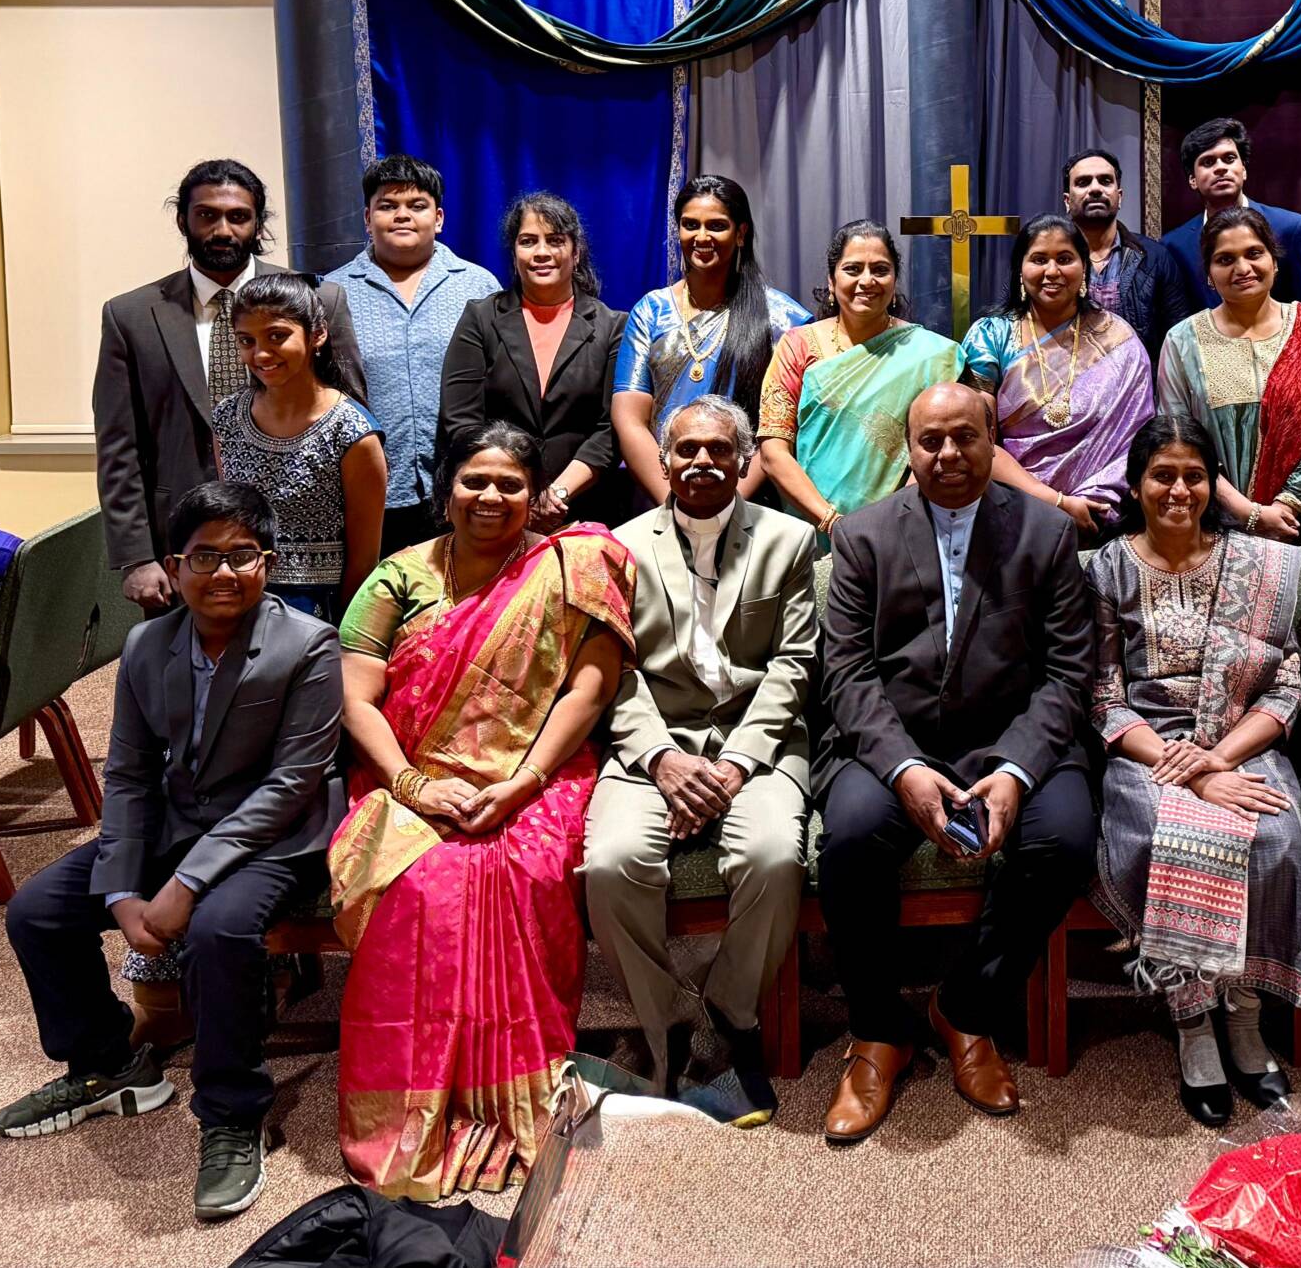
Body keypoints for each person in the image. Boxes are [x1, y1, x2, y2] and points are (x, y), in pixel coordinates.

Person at [0, 482, 344, 1223]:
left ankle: (231, 1115)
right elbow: (127, 775)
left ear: (268, 561)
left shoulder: (308, 644)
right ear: (175, 566)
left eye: (242, 555)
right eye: (205, 557)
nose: (225, 573)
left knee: (219, 930)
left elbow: (291, 785)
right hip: (177, 821)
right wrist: (123, 889)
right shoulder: (147, 646)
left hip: (277, 838)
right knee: (37, 911)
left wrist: (185, 883)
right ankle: (109, 1066)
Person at [328, 423, 633, 1199]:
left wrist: (523, 783)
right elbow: (355, 699)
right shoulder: (398, 577)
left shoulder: (573, 565)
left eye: (510, 484)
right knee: (418, 885)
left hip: (537, 771)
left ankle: (513, 1100)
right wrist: (411, 786)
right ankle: (414, 1114)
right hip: (409, 773)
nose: (491, 497)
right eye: (474, 481)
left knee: (524, 871)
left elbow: (590, 686)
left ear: (535, 496)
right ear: (446, 491)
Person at [813, 383, 1096, 1145]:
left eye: (965, 437)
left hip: (1014, 739)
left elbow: (1068, 673)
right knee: (850, 839)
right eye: (930, 440)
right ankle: (879, 1030)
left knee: (1065, 840)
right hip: (894, 741)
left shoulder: (1045, 532)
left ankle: (966, 1008)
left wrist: (1016, 769)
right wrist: (903, 768)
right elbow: (846, 673)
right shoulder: (862, 536)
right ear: (908, 449)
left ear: (992, 440)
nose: (948, 454)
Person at [1087, 414, 1301, 1128]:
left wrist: (1219, 761)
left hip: (1240, 742)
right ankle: (1192, 1021)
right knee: (1159, 837)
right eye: (1162, 475)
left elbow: (1286, 686)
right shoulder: (1106, 570)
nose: (1179, 490)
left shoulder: (1265, 565)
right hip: (1149, 748)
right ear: (1136, 484)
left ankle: (1245, 1016)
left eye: (1194, 476)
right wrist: (1190, 774)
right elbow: (1102, 694)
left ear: (1214, 484)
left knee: (1276, 840)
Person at [586, 396, 817, 1125]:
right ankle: (671, 1021)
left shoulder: (789, 540)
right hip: (653, 741)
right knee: (610, 865)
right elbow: (612, 670)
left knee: (774, 856)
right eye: (686, 449)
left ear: (745, 462)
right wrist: (659, 758)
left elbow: (794, 664)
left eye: (719, 449)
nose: (702, 462)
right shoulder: (620, 547)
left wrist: (738, 763)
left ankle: (731, 1014)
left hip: (759, 741)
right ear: (663, 461)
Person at [93, 158, 362, 613]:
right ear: (183, 221)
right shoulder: (131, 316)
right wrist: (136, 557)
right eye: (207, 215)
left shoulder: (317, 299)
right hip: (184, 548)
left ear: (258, 223)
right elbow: (119, 447)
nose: (223, 230)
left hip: (300, 548)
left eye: (238, 216)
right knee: (189, 659)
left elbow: (349, 417)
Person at [323, 155, 503, 557]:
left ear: (438, 218)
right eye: (388, 205)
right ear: (367, 219)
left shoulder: (479, 286)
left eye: (416, 205)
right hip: (370, 490)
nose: (402, 215)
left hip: (465, 484)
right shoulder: (333, 294)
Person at [1154, 207, 1301, 544]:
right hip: (1212, 530)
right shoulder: (1182, 340)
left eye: (1254, 253)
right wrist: (1248, 513)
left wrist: (1285, 509)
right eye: (1225, 259)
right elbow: (1179, 442)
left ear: (1274, 261)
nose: (1242, 268)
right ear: (1208, 274)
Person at [611, 176, 813, 507]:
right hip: (661, 499)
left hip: (749, 504)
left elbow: (780, 431)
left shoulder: (784, 321)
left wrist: (725, 506)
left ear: (741, 234)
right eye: (690, 225)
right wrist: (677, 503)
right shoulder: (651, 312)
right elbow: (629, 420)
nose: (702, 237)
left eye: (716, 226)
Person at [756, 221, 962, 539]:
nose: (867, 280)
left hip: (895, 532)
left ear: (894, 280)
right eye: (853, 269)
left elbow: (932, 454)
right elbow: (773, 451)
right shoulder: (798, 346)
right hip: (808, 528)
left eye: (880, 270)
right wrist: (832, 522)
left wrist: (889, 526)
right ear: (832, 280)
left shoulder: (931, 355)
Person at [959, 213, 1157, 541]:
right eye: (1039, 259)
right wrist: (1056, 503)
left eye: (1064, 259)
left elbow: (1136, 441)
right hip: (1011, 514)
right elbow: (976, 441)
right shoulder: (991, 337)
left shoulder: (1118, 340)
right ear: (1020, 270)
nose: (1052, 271)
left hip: (1102, 518)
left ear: (1084, 269)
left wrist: (1090, 504)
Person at [439, 192, 629, 531]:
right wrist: (516, 492)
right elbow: (462, 421)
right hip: (494, 505)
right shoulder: (480, 319)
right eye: (528, 241)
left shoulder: (613, 326)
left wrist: (556, 494)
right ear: (514, 254)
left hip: (586, 508)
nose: (541, 252)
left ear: (576, 252)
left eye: (555, 241)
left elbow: (610, 430)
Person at [213, 274, 387, 621]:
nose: (261, 353)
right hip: (241, 599)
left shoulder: (350, 431)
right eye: (247, 340)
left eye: (277, 336)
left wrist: (342, 633)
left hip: (319, 610)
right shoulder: (228, 417)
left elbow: (364, 559)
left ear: (317, 334)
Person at [1157, 118, 1301, 311]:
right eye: (1208, 162)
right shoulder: (1174, 246)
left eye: (1229, 158)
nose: (1220, 167)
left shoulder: (1292, 229)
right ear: (1192, 180)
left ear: (1244, 170)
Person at [1062, 146, 1198, 354]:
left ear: (1120, 197)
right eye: (1083, 182)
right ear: (1067, 201)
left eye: (1105, 181)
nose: (1095, 189)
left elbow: (1180, 338)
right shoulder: (1049, 260)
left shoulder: (1155, 257)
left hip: (1140, 374)